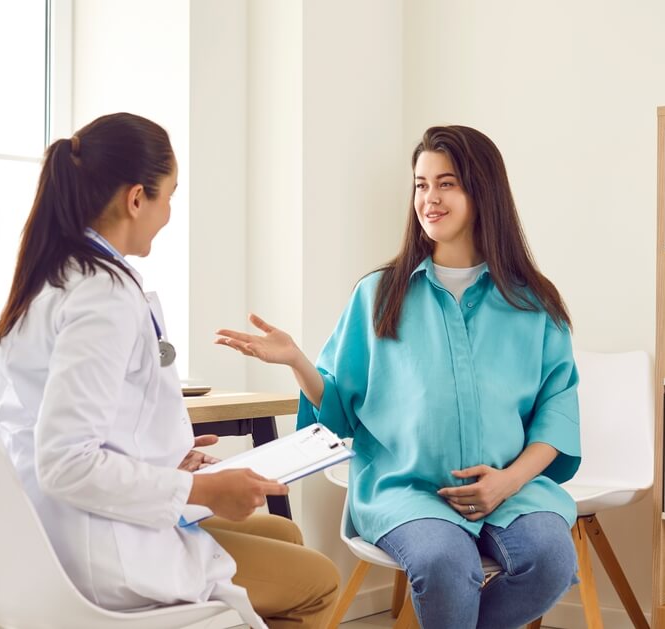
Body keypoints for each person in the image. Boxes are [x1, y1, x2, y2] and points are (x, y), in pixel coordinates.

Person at [216, 125, 580, 628]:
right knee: (443, 561)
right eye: (420, 184)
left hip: (511, 489)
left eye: (446, 183)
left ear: (483, 191)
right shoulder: (378, 295)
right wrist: (299, 361)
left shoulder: (533, 302)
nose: (429, 199)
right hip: (405, 491)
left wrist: (507, 482)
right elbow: (339, 413)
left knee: (553, 559)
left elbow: (556, 414)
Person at [0, 112, 339, 629]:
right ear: (135, 199)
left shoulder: (52, 279)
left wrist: (166, 462)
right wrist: (200, 491)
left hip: (53, 533)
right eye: (169, 195)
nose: (170, 212)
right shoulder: (102, 295)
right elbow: (65, 462)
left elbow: (81, 430)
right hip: (99, 553)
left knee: (283, 536)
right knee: (318, 583)